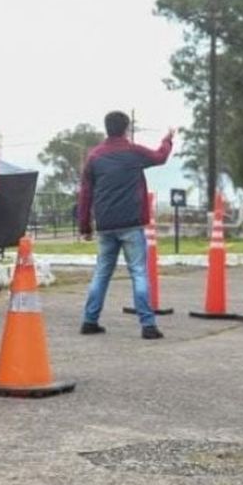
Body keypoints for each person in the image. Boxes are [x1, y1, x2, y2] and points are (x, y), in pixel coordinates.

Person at [76, 112, 174, 339]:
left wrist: (84, 227)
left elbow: (85, 195)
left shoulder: (94, 157)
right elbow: (160, 157)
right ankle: (148, 325)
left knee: (101, 273)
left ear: (106, 128)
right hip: (131, 224)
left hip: (106, 225)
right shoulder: (134, 152)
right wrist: (168, 139)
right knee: (139, 272)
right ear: (126, 128)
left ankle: (90, 321)